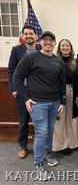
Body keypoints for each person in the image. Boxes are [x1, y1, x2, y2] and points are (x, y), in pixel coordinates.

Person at [13, 31, 66, 180]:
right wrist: (26, 98)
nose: (48, 43)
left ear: (54, 43)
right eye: (45, 40)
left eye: (51, 40)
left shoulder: (58, 61)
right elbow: (17, 77)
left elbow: (61, 83)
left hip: (54, 102)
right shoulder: (30, 58)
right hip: (37, 103)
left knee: (49, 130)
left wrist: (62, 102)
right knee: (42, 132)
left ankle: (47, 154)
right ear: (40, 42)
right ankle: (38, 163)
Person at [7, 25, 41, 159]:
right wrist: (13, 89)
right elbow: (11, 70)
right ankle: (23, 146)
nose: (28, 36)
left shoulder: (41, 49)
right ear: (22, 36)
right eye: (26, 34)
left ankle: (41, 147)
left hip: (38, 93)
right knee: (23, 121)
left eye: (31, 34)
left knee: (39, 121)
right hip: (22, 92)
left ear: (36, 36)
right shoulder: (16, 50)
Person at [52, 39, 78, 155]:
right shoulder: (55, 61)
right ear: (59, 48)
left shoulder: (75, 62)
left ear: (71, 47)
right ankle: (63, 145)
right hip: (59, 92)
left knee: (73, 118)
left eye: (67, 45)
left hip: (73, 91)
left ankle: (75, 142)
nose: (65, 47)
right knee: (60, 118)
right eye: (63, 45)